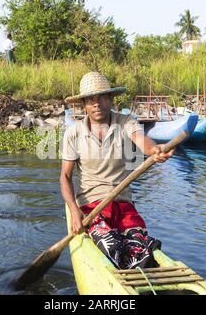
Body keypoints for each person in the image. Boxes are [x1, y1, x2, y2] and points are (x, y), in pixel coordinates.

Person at [61, 72, 175, 270]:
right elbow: (65, 177)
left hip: (123, 205)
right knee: (112, 247)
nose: (96, 104)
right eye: (90, 100)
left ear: (111, 99)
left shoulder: (125, 122)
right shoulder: (74, 133)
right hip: (92, 208)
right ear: (84, 105)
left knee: (141, 249)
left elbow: (142, 141)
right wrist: (73, 210)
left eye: (101, 98)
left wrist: (154, 150)